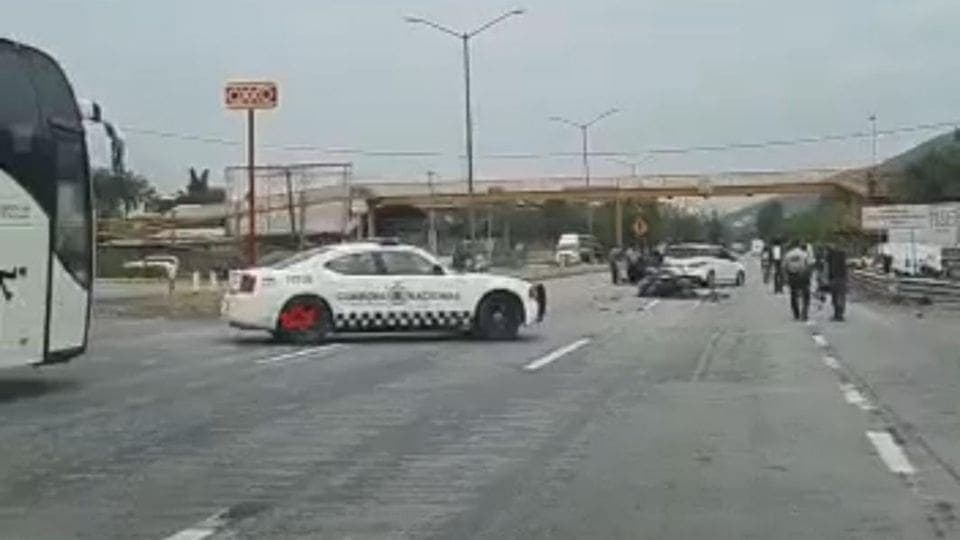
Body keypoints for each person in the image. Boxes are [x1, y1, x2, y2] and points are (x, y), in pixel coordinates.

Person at [783, 240, 814, 321]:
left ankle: (796, 314)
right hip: (802, 276)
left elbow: (784, 267)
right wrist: (809, 276)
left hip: (792, 276)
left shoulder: (788, 254)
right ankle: (804, 314)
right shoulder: (804, 254)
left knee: (793, 296)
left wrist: (786, 278)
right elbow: (809, 265)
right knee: (806, 296)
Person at [826, 244, 849, 321]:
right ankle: (839, 314)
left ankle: (837, 314)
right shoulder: (842, 255)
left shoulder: (831, 257)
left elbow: (829, 268)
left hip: (835, 278)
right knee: (840, 296)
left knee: (836, 297)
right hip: (841, 278)